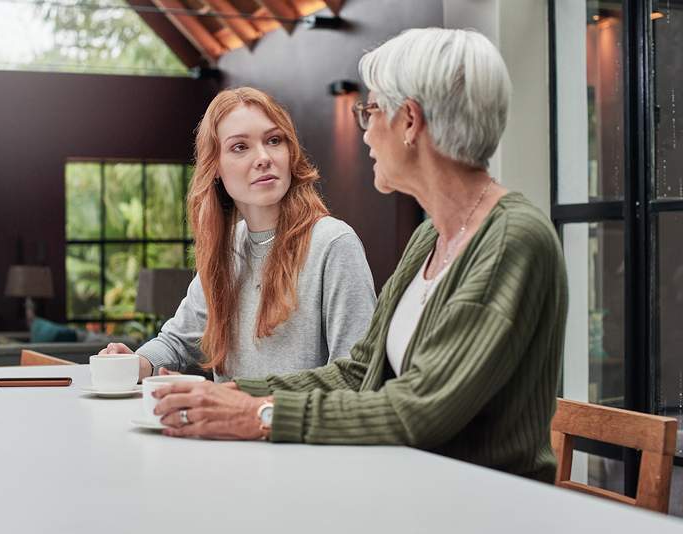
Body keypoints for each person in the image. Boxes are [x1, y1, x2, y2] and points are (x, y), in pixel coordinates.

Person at [152, 28, 569, 483]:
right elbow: (359, 371)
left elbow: (419, 408)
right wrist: (238, 394)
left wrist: (260, 415)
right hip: (412, 484)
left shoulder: (511, 240)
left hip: (478, 503)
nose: (365, 131)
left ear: (409, 121)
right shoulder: (432, 236)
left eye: (370, 111)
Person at [102, 87, 376, 382]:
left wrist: (248, 406)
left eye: (274, 141)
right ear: (215, 167)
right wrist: (136, 362)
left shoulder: (333, 243)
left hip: (292, 427)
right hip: (221, 429)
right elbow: (178, 340)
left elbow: (355, 376)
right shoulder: (228, 246)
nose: (263, 158)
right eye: (240, 147)